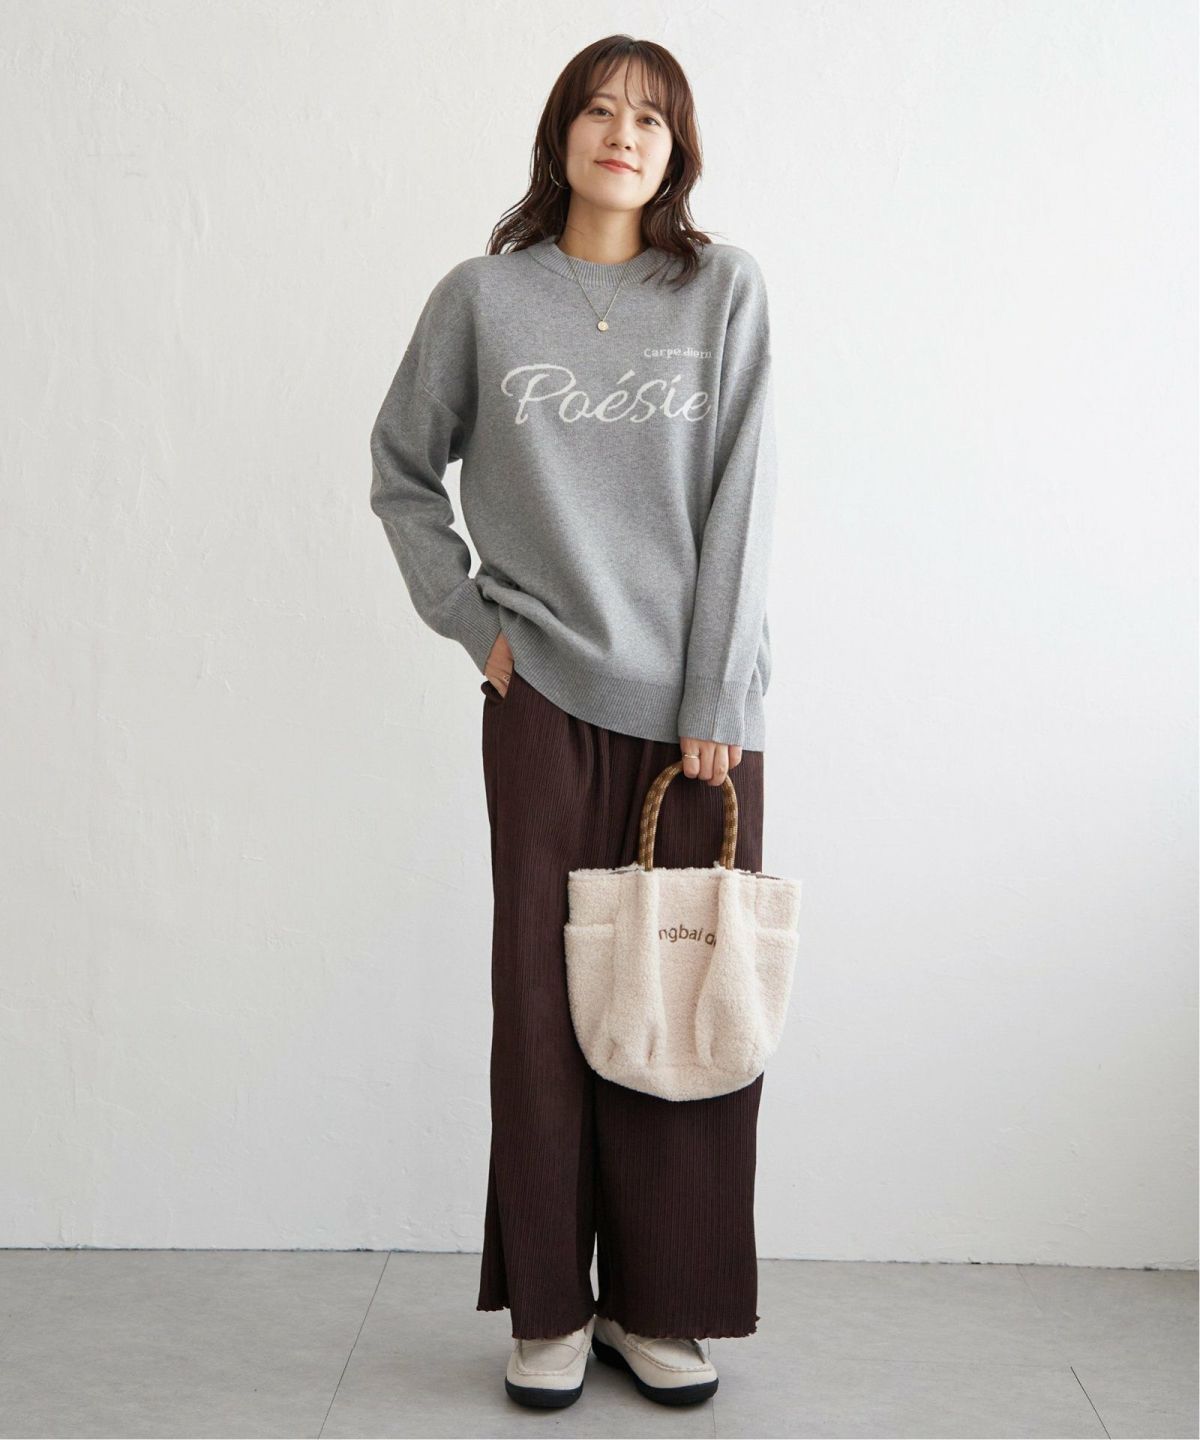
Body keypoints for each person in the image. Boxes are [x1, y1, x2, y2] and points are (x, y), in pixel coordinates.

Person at [369, 34, 778, 1411]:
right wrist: (477, 629)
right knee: (543, 1007)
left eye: (651, 118)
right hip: (540, 697)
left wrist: (714, 695)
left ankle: (660, 1305)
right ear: (560, 134)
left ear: (678, 149)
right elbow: (401, 470)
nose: (623, 133)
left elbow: (743, 500)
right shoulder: (484, 300)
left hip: (699, 721)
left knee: (678, 994)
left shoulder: (723, 290)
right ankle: (551, 1305)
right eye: (600, 110)